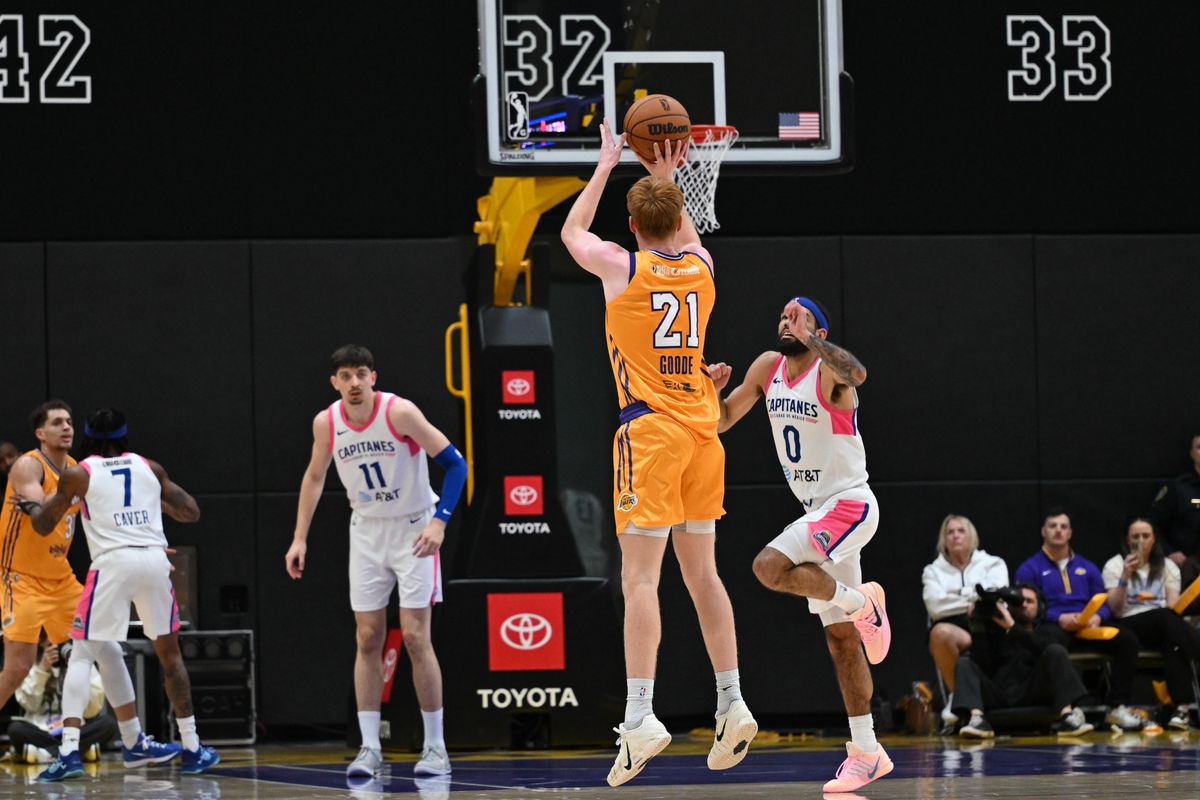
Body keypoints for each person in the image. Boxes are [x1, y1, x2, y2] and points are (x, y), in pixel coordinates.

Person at [560, 129, 757, 787]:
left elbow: (571, 235)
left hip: (651, 437)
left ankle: (640, 713)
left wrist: (605, 166)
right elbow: (691, 238)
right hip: (706, 434)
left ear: (633, 224)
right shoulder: (701, 269)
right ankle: (731, 701)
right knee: (704, 575)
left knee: (641, 580)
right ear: (678, 218)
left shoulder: (623, 266)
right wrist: (669, 177)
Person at [713, 297, 893, 793]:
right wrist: (712, 393)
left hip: (849, 503)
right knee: (840, 641)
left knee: (768, 566)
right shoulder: (768, 367)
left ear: (819, 330)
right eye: (781, 316)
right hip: (818, 512)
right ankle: (867, 751)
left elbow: (857, 373)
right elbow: (723, 420)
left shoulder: (830, 373)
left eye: (798, 316)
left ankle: (863, 604)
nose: (785, 321)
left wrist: (815, 340)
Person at [285, 345, 467, 780]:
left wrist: (440, 523)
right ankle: (369, 748)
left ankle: (436, 747)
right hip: (366, 530)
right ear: (335, 383)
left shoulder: (399, 413)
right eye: (345, 376)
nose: (353, 383)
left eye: (360, 374)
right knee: (368, 637)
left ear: (373, 378)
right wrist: (299, 538)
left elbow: (455, 464)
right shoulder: (326, 422)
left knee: (416, 637)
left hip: (414, 529)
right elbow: (314, 476)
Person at [15, 408, 219, 780]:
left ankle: (68, 752)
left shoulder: (79, 473)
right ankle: (191, 747)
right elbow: (191, 512)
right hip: (154, 561)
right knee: (170, 655)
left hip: (113, 565)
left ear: (87, 436)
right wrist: (148, 505)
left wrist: (32, 506)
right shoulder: (150, 467)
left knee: (81, 654)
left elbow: (45, 525)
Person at [1014, 508, 1144, 731]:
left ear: (1070, 533)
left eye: (1063, 527)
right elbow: (1026, 607)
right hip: (1053, 625)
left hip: (1087, 626)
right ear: (1043, 531)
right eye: (1053, 526)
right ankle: (1068, 709)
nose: (1058, 531)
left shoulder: (1088, 567)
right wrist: (1059, 617)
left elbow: (1103, 601)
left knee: (1127, 640)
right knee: (1051, 648)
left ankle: (1116, 708)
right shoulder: (1029, 568)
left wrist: (1098, 617)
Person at [952, 584, 1094, 738]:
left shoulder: (1049, 631)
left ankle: (1068, 718)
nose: (1024, 604)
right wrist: (978, 627)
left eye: (1030, 601)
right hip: (1000, 693)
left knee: (1056, 651)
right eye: (1019, 601)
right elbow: (982, 665)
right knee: (965, 663)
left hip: (1033, 692)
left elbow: (1048, 650)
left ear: (1040, 607)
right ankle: (977, 719)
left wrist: (1013, 628)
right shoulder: (996, 633)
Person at [1103, 517, 1200, 730]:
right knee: (1165, 619)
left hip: (1162, 624)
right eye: (1135, 536)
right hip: (1128, 621)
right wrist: (1125, 576)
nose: (1141, 540)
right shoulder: (1115, 564)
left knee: (1172, 641)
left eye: (1145, 536)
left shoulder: (1168, 566)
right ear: (1128, 541)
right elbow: (1115, 609)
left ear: (1154, 539)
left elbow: (1174, 607)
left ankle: (1181, 710)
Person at [921, 514, 1009, 727]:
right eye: (950, 532)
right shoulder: (932, 571)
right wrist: (974, 596)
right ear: (944, 540)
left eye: (961, 531)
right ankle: (956, 697)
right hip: (956, 628)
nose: (955, 536)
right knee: (940, 633)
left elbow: (999, 599)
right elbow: (935, 606)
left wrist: (957, 595)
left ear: (972, 537)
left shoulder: (993, 563)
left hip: (991, 628)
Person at [8, 636, 115, 763]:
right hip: (41, 730)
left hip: (75, 730)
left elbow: (92, 710)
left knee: (108, 724)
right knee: (15, 729)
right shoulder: (31, 664)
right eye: (49, 645)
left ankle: (47, 754)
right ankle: (78, 751)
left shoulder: (82, 663)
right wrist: (42, 669)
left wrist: (78, 671)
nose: (56, 649)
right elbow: (30, 705)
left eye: (59, 646)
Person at [1149, 434, 1200, 590]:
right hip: (1188, 568)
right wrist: (1169, 552)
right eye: (1199, 447)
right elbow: (1152, 525)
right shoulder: (1178, 489)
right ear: (1191, 454)